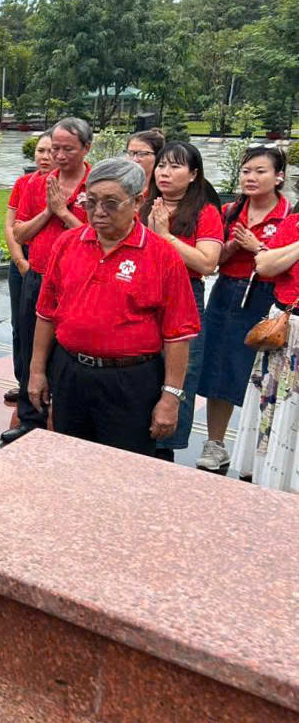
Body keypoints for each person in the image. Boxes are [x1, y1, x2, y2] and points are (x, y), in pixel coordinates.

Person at [29, 158, 199, 455]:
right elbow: (46, 314)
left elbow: (178, 333)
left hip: (131, 381)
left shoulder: (162, 255)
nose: (97, 212)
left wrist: (171, 397)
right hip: (71, 372)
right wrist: (36, 371)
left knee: (124, 468)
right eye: (90, 201)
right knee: (68, 459)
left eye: (110, 203)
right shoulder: (68, 243)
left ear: (137, 201)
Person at [194, 146, 289, 473]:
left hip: (271, 298)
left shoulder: (290, 215)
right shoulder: (230, 211)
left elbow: (287, 266)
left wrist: (257, 247)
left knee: (265, 374)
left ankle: (261, 450)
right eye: (246, 171)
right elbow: (212, 261)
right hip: (229, 293)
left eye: (260, 171)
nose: (251, 177)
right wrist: (234, 245)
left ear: (279, 177)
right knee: (219, 367)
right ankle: (215, 443)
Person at [2, 118, 93, 444]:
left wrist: (65, 213)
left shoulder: (96, 186)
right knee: (31, 349)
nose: (59, 155)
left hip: (81, 281)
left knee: (71, 353)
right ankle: (30, 418)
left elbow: (96, 237)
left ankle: (67, 420)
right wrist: (49, 212)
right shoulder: (35, 184)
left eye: (68, 149)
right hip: (40, 277)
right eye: (55, 148)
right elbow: (19, 232)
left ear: (86, 148)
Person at [140, 143, 221, 461]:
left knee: (179, 376)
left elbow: (206, 263)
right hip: (144, 295)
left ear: (193, 175)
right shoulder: (143, 204)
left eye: (175, 167)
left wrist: (165, 236)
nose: (165, 172)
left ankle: (164, 451)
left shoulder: (205, 212)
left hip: (185, 295)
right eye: (161, 165)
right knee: (142, 371)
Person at [235, 209, 299, 490]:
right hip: (285, 329)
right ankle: (269, 478)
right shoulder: (295, 222)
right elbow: (264, 265)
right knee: (275, 408)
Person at [4, 132, 53, 403]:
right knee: (19, 324)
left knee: (42, 326)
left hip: (46, 260)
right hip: (23, 259)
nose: (45, 157)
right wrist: (19, 261)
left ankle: (45, 383)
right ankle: (23, 380)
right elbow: (12, 226)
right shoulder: (25, 183)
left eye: (50, 151)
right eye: (40, 150)